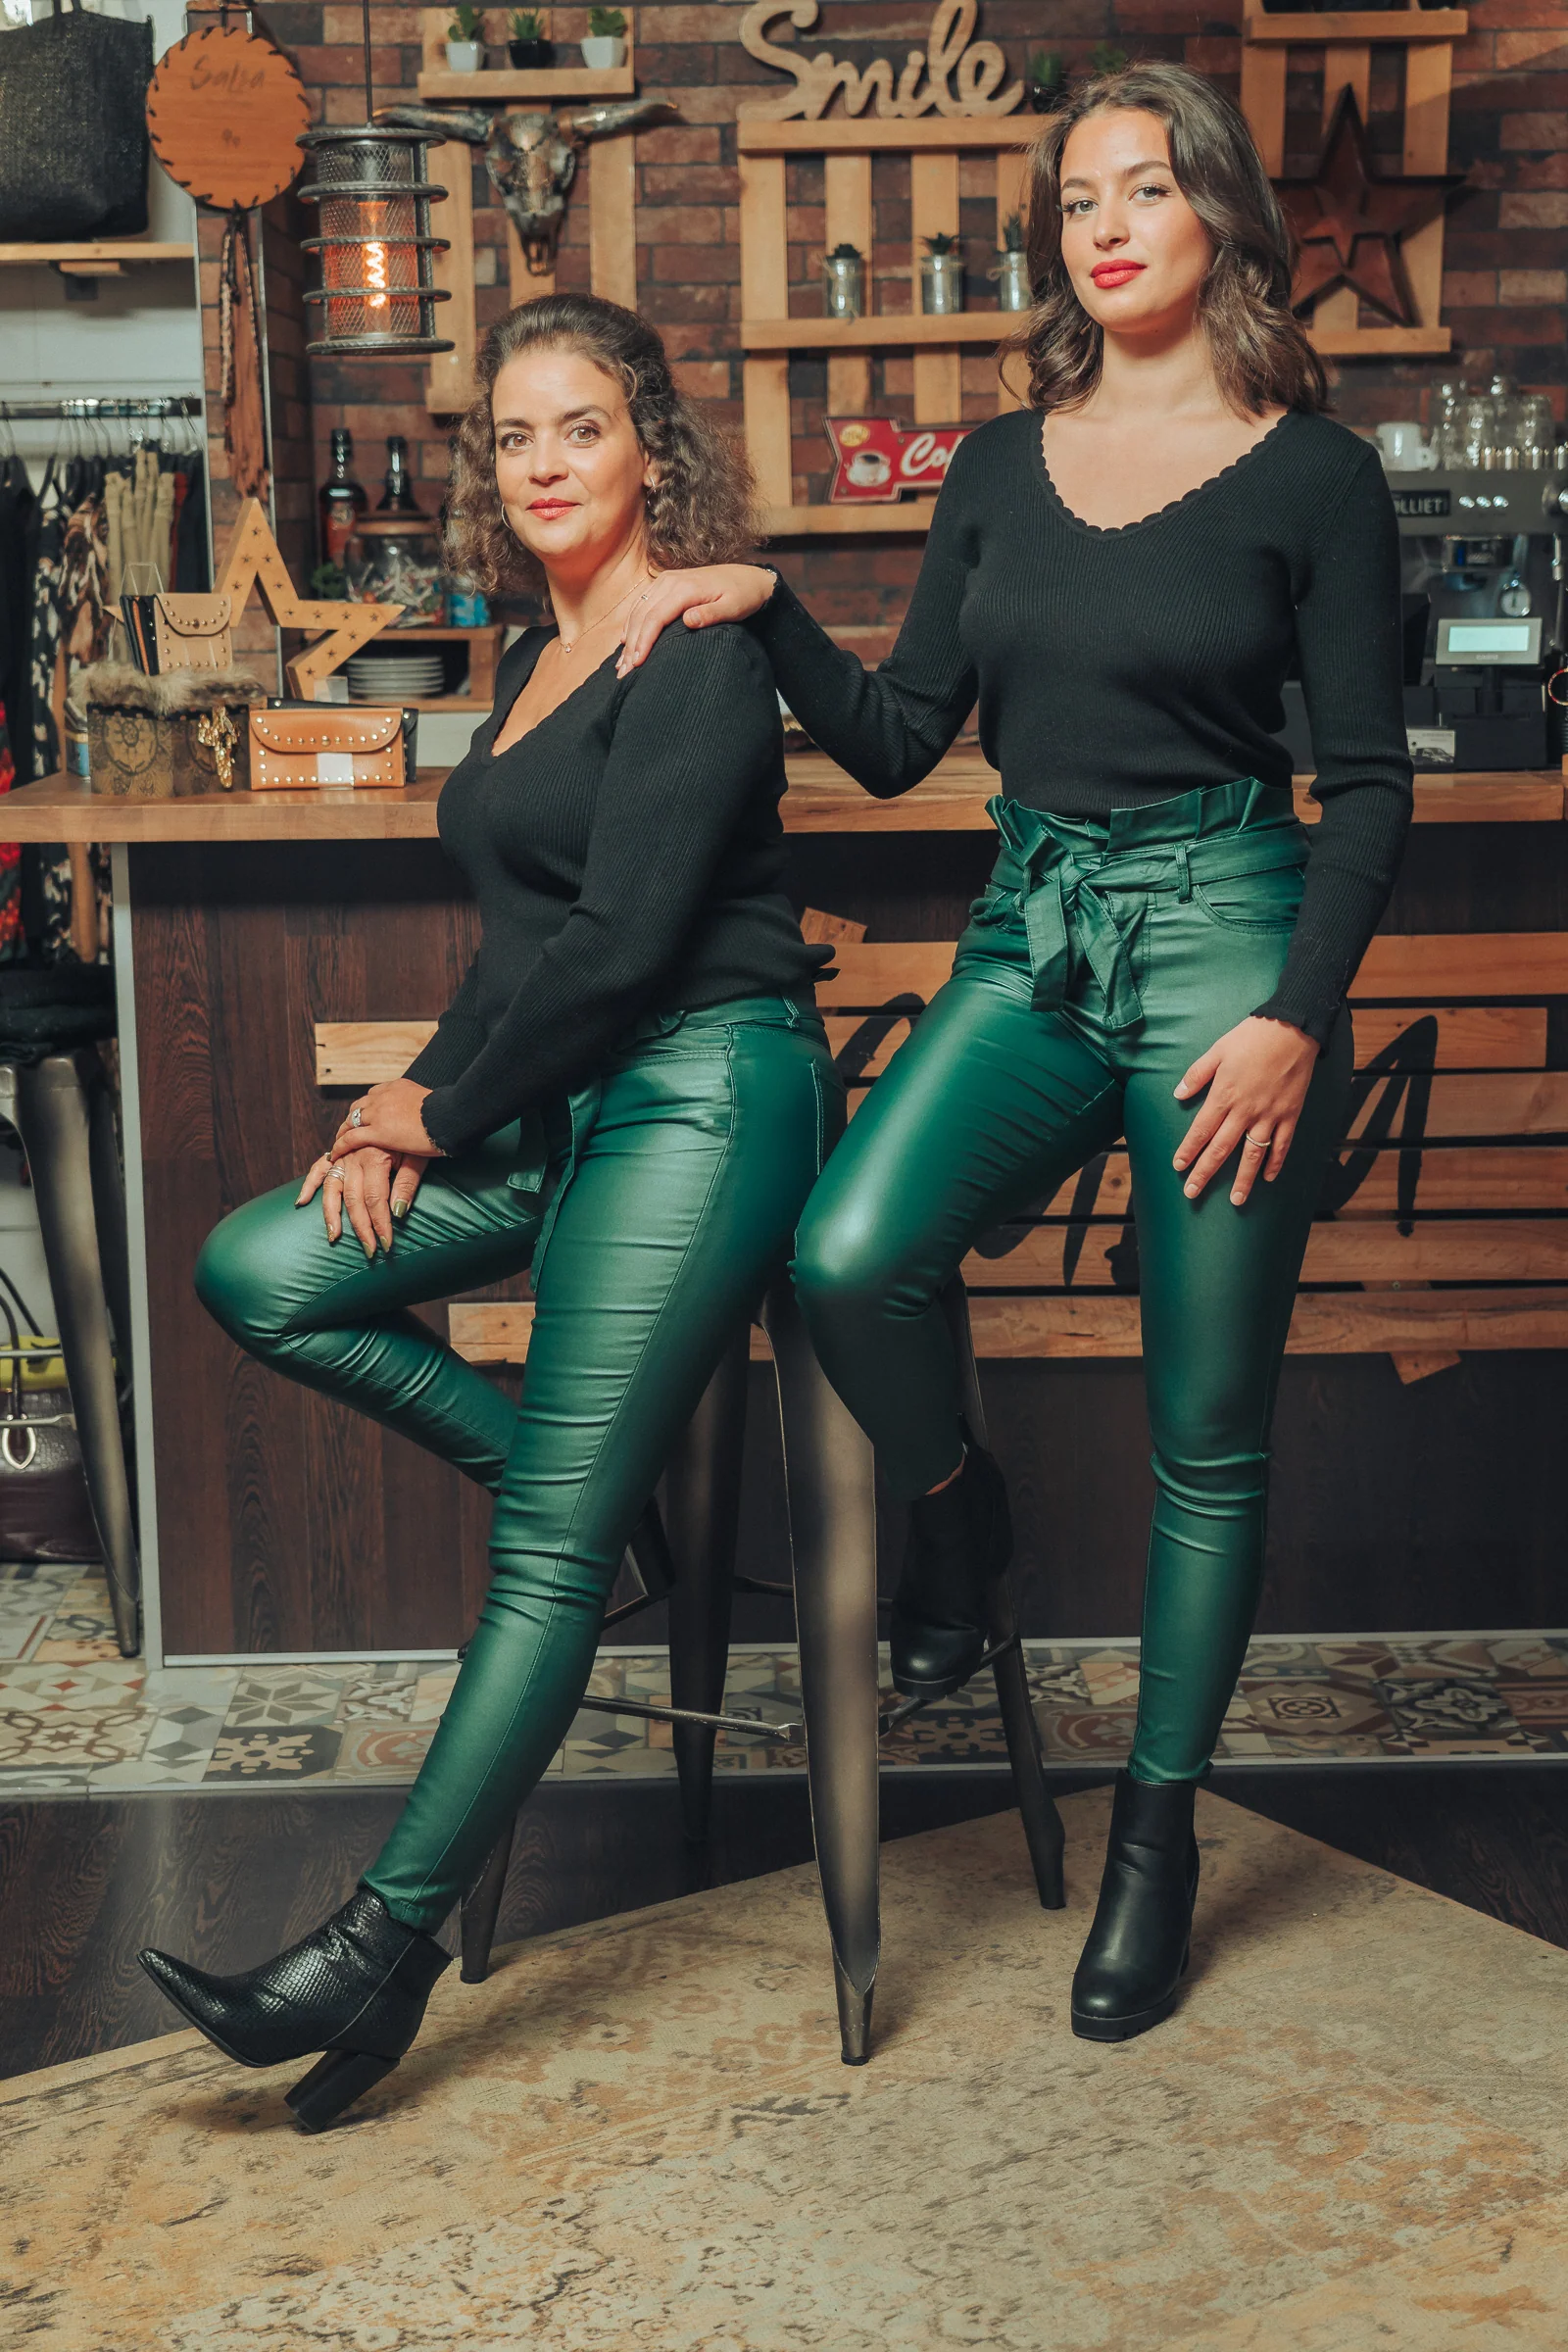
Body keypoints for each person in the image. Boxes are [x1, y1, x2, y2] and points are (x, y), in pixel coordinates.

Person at [617, 63, 1412, 2042]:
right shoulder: (995, 463)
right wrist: (771, 614)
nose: (1106, 225)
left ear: (1216, 210)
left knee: (1204, 1431)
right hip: (1034, 924)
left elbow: (1370, 785)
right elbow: (902, 740)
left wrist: (1292, 1020)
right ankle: (960, 1510)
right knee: (848, 1253)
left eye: (1142, 188)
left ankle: (1153, 1842)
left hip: (1228, 937)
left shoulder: (1314, 477)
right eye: (1075, 200)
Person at [138, 294, 840, 2130]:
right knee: (261, 1267)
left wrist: (436, 1108)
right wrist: (407, 1116)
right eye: (513, 436)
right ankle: (593, 1516)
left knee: (535, 1554)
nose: (542, 465)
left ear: (650, 448)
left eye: (579, 428)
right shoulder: (535, 652)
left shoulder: (693, 646)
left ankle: (369, 1959)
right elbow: (526, 950)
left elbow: (624, 948)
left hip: (706, 1090)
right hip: (565, 1094)